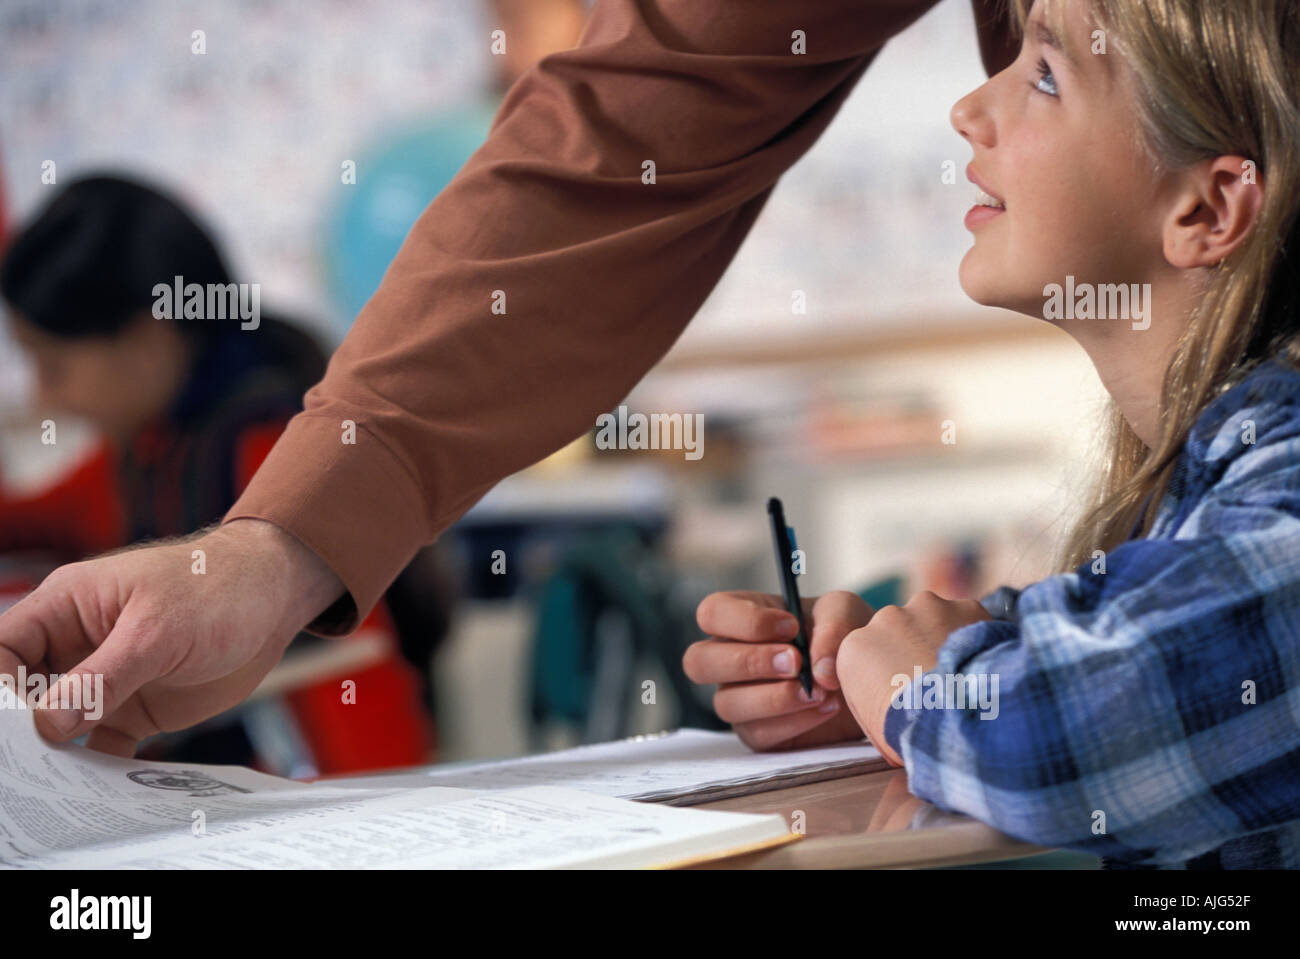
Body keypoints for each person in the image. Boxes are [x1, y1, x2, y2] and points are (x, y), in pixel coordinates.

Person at [688, 0, 1300, 868]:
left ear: (1207, 210)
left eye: (1046, 76)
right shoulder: (1209, 486)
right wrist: (862, 682)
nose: (968, 110)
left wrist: (926, 686)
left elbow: (1052, 741)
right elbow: (1114, 644)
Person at [0, 174, 437, 771]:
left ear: (144, 341)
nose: (45, 397)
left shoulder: (265, 449)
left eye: (53, 365)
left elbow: (356, 677)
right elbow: (38, 517)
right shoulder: (148, 445)